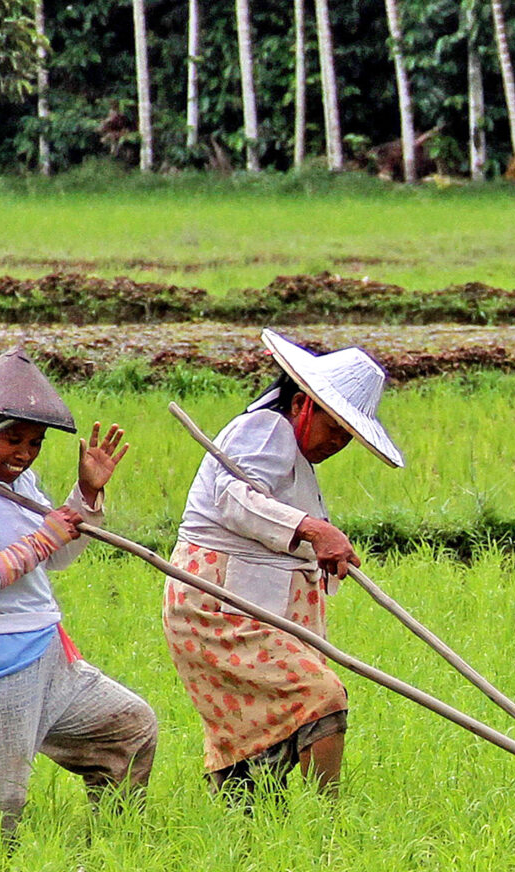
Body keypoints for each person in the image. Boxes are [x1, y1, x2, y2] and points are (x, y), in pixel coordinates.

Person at [0, 347, 156, 844]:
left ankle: (113, 858)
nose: (24, 453)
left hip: (47, 657)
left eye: (35, 442)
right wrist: (44, 537)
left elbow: (58, 555)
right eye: (13, 440)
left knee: (127, 731)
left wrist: (85, 498)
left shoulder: (17, 482)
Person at [162, 330, 400, 796]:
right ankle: (325, 820)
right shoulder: (265, 428)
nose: (338, 443)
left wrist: (321, 550)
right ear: (300, 406)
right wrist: (315, 531)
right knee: (320, 696)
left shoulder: (291, 451)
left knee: (269, 729)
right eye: (333, 429)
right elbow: (234, 498)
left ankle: (253, 824)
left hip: (253, 603)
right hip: (221, 605)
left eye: (347, 436)